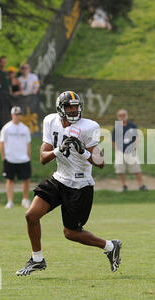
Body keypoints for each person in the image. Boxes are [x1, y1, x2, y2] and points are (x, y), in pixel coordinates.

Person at [16, 90, 121, 276]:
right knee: (31, 215)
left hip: (80, 185)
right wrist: (58, 150)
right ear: (60, 109)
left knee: (70, 233)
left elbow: (101, 163)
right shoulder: (50, 121)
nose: (73, 111)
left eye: (76, 107)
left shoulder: (88, 127)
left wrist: (83, 151)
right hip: (59, 179)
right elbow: (42, 157)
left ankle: (110, 246)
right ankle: (37, 260)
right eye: (69, 107)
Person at [0, 106, 32, 209]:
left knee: (26, 179)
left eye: (19, 114)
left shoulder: (25, 128)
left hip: (23, 159)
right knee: (10, 180)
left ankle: (25, 200)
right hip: (10, 158)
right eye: (15, 114)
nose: (17, 116)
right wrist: (3, 156)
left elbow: (28, 143)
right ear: (12, 115)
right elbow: (1, 142)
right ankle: (10, 201)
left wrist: (29, 156)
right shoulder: (6, 128)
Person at [111, 109, 147, 192]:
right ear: (118, 117)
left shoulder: (132, 125)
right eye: (120, 115)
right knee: (120, 169)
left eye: (124, 115)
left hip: (130, 151)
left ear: (127, 115)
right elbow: (113, 140)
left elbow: (136, 138)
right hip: (120, 151)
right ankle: (124, 185)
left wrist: (135, 147)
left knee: (136, 168)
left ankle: (141, 185)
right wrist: (116, 150)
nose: (122, 117)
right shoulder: (116, 127)